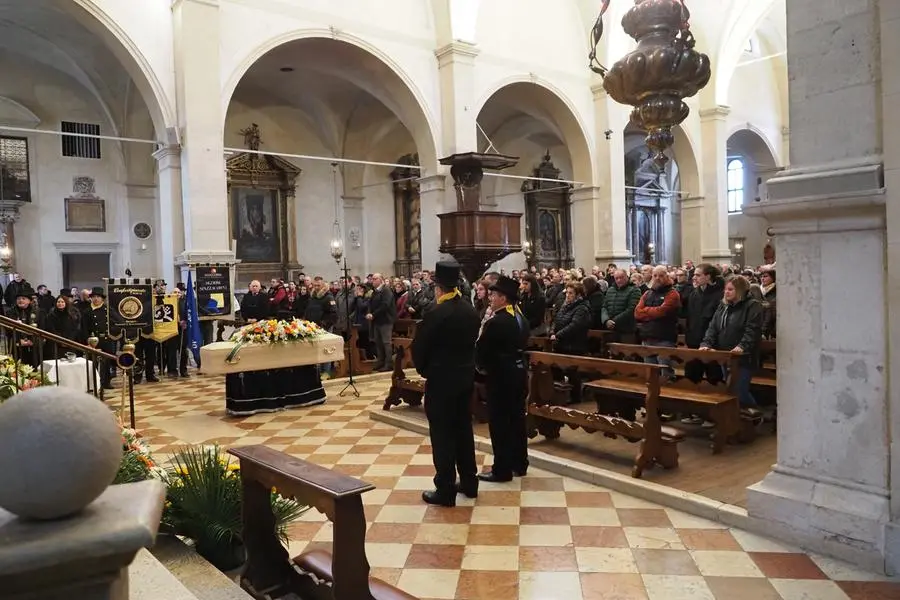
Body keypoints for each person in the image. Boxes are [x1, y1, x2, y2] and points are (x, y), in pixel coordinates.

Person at [411, 260, 480, 507]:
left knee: (442, 435)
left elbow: (420, 349)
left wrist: (426, 370)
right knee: (463, 430)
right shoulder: (470, 311)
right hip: (464, 379)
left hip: (441, 381)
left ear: (438, 288)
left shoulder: (436, 313)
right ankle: (470, 483)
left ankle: (445, 489)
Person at [475, 275, 530, 482]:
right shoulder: (519, 317)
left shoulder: (497, 321)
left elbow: (482, 350)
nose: (490, 298)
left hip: (500, 377)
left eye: (494, 294)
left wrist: (480, 370)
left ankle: (502, 469)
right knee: (517, 420)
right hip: (518, 373)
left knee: (499, 423)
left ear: (504, 298)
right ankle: (520, 463)